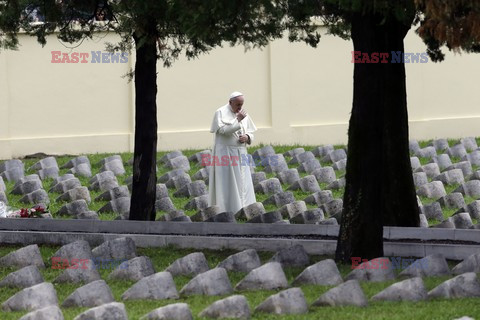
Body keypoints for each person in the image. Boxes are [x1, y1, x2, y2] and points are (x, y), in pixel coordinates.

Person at [207, 91, 257, 214]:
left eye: (242, 104)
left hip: (241, 152)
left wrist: (248, 137)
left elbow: (251, 131)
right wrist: (238, 121)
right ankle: (229, 209)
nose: (240, 107)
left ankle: (246, 208)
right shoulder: (220, 112)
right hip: (225, 153)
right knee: (227, 182)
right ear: (230, 102)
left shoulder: (243, 114)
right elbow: (223, 130)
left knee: (244, 181)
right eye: (238, 104)